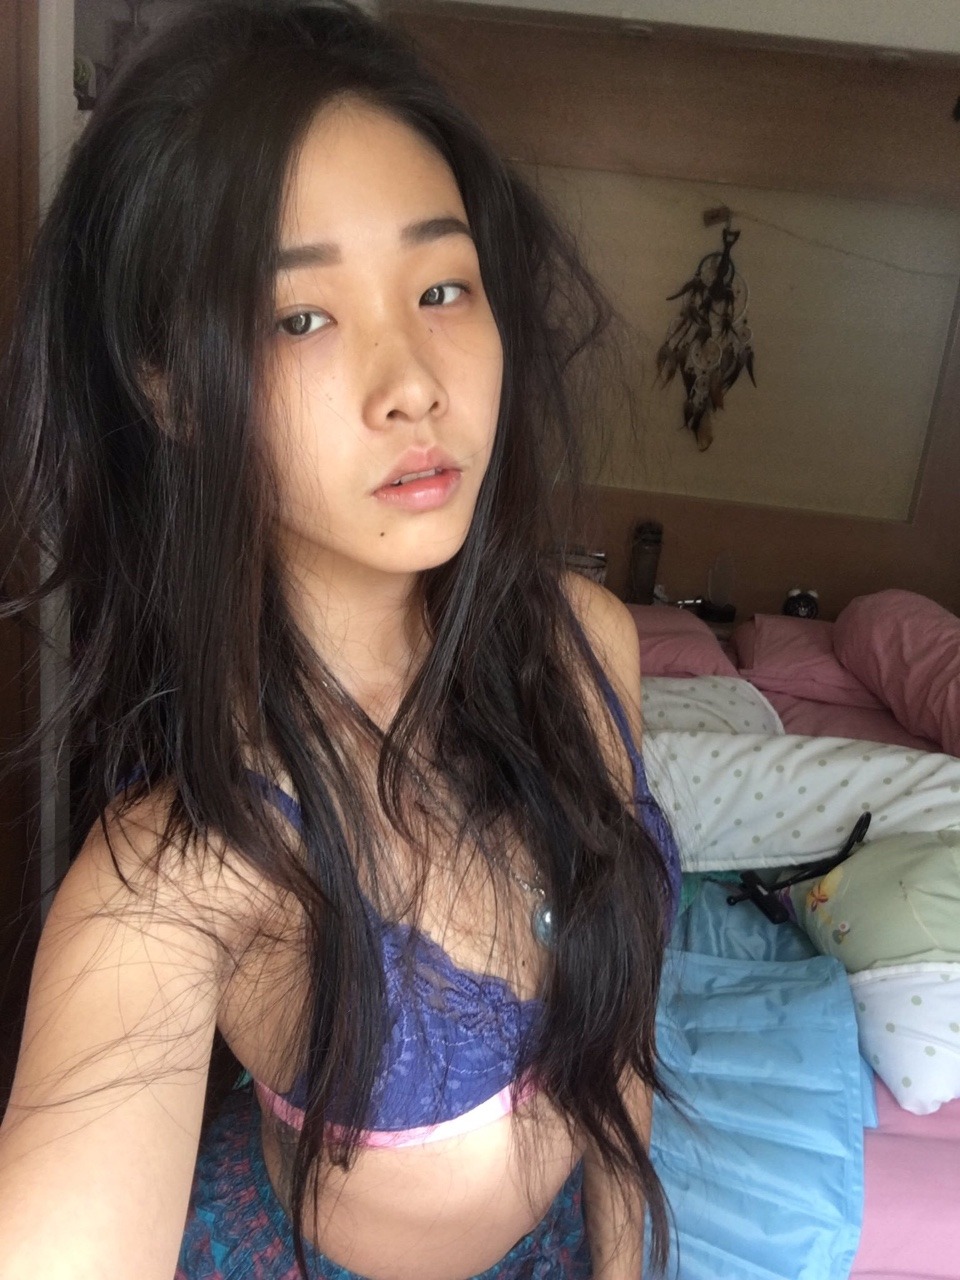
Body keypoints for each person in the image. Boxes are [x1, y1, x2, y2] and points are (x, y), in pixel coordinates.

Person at [0, 2, 679, 1276]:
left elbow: (618, 1020)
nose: (413, 380)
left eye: (441, 287)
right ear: (170, 385)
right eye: (299, 316)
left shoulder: (583, 642)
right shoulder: (174, 875)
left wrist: (621, 1257)